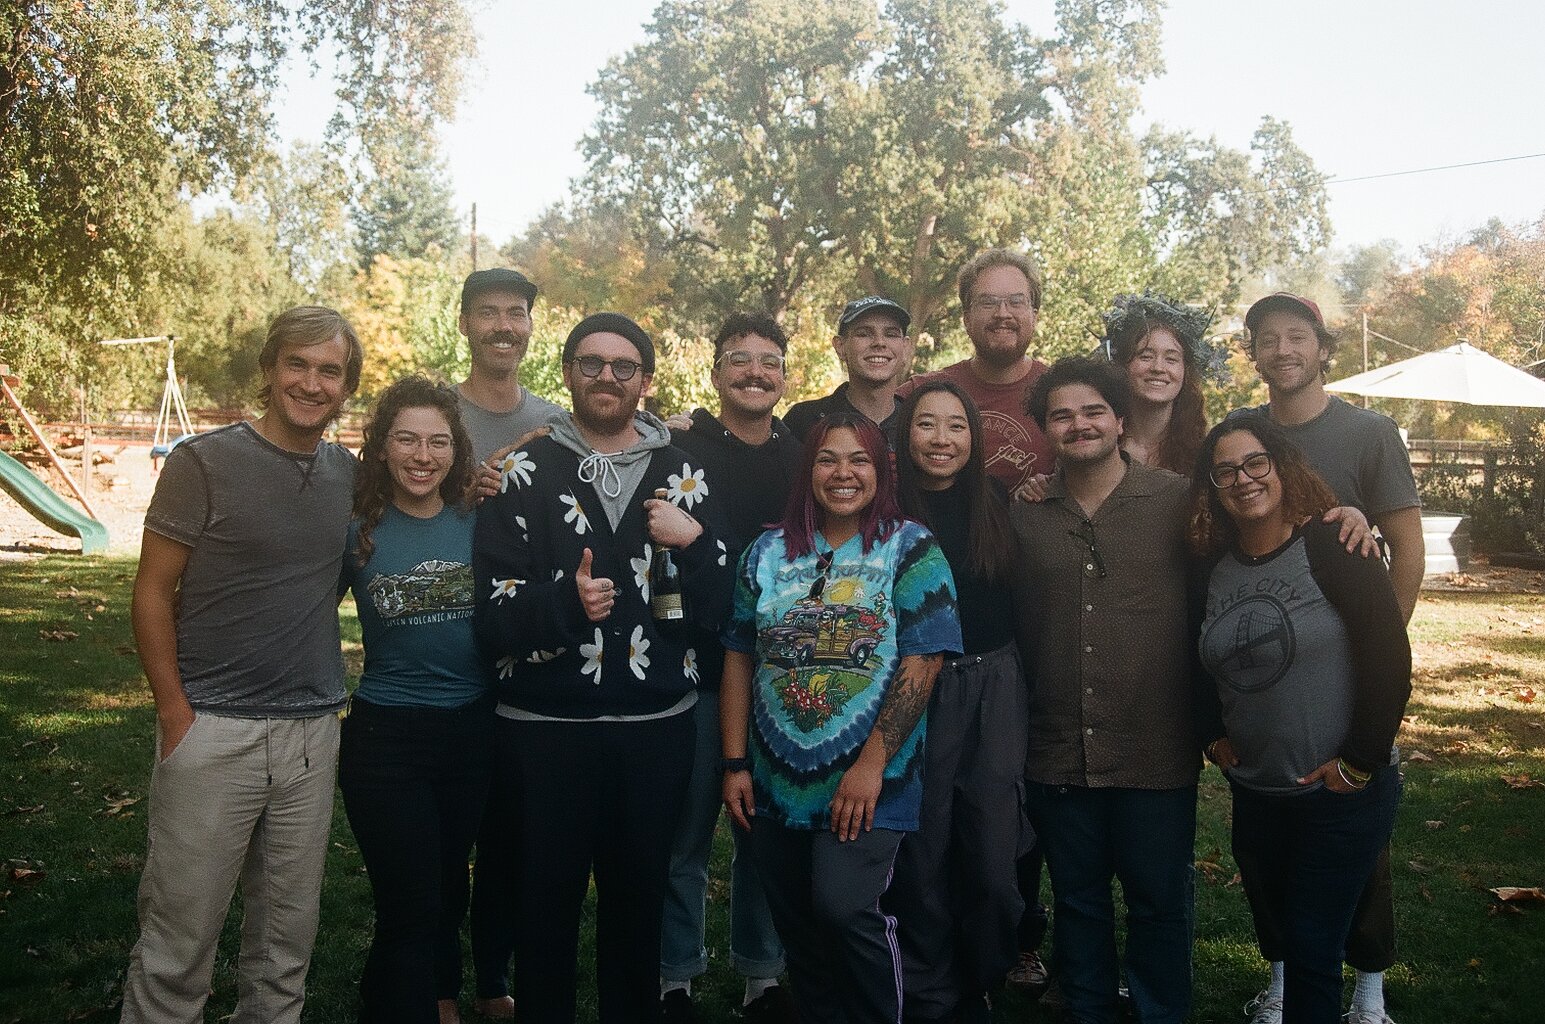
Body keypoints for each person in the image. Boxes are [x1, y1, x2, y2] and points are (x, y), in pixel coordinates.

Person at [473, 312, 735, 1024]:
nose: (607, 377)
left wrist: (698, 538)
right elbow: (491, 615)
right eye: (590, 363)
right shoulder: (523, 471)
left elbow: (726, 603)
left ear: (645, 381)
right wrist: (565, 602)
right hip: (543, 729)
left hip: (656, 729)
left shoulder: (684, 471)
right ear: (566, 374)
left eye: (624, 366)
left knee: (637, 902)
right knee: (544, 905)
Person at [121, 306, 363, 1024]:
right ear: (268, 370)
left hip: (312, 733)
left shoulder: (348, 475)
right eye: (298, 364)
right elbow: (151, 589)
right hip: (212, 728)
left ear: (347, 386)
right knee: (179, 939)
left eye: (329, 370)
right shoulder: (203, 463)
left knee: (285, 946)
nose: (311, 383)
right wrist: (174, 712)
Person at [720, 412, 961, 1024]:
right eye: (828, 459)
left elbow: (923, 663)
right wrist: (734, 763)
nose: (843, 473)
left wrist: (870, 766)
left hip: (868, 777)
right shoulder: (766, 553)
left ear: (882, 471)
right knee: (798, 921)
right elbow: (740, 657)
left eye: (860, 460)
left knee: (844, 906)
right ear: (809, 472)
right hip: (773, 779)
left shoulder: (912, 548)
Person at [1234, 292, 1423, 1024]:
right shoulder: (1242, 434)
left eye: (1296, 336)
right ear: (1253, 352)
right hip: (1270, 671)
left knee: (1355, 823)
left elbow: (1404, 545)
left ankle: (1368, 990)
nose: (1282, 349)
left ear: (1321, 347)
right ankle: (1281, 979)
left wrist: (1380, 652)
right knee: (1269, 831)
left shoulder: (1368, 433)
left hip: (1351, 671)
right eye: (1267, 338)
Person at [1190, 416, 1410, 1024]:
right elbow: (1196, 652)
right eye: (1225, 471)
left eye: (1256, 462)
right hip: (1260, 791)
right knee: (1285, 932)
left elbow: (1388, 658)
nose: (1243, 479)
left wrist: (1360, 761)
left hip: (1339, 793)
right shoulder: (1214, 567)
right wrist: (1211, 732)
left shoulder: (1335, 545)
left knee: (1313, 947)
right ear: (1212, 486)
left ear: (1282, 465)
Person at [1007, 357, 1202, 1024]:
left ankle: (1159, 1013)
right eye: (1061, 414)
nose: (1078, 423)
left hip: (1154, 747)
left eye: (1092, 411)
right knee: (1078, 902)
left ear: (1120, 420)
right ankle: (1086, 1010)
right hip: (1058, 746)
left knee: (1157, 904)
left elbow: (1263, 521)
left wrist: (1341, 509)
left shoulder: (1177, 500)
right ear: (1044, 430)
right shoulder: (1024, 512)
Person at [659, 312, 800, 1023]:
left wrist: (707, 545)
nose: (753, 371)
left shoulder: (802, 458)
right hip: (692, 669)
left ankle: (761, 974)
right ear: (714, 373)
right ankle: (674, 974)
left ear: (783, 374)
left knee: (760, 834)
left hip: (776, 676)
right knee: (683, 832)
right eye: (738, 360)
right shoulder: (677, 448)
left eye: (767, 360)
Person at [338, 377, 488, 1024]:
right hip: (386, 735)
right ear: (382, 447)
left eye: (436, 440)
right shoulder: (356, 530)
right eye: (406, 439)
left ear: (455, 450)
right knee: (409, 896)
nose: (421, 455)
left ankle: (434, 993)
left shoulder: (479, 521)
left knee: (449, 881)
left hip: (473, 730)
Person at [887, 381, 1029, 1023]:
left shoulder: (997, 502)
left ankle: (985, 973)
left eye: (956, 426)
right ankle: (928, 986)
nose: (942, 440)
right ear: (905, 434)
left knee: (995, 849)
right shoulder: (884, 509)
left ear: (974, 438)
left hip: (993, 681)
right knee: (923, 846)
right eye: (926, 425)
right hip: (917, 683)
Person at [452, 266, 563, 1020]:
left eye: (515, 313)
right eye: (488, 312)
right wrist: (464, 495)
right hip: (446, 649)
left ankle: (496, 980)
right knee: (448, 834)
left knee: (513, 836)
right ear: (463, 323)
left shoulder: (555, 420)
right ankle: (438, 977)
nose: (503, 326)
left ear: (529, 326)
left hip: (529, 650)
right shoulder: (435, 415)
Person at [899, 248, 1054, 493]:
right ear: (967, 318)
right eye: (987, 302)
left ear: (1034, 315)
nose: (1002, 313)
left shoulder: (1062, 394)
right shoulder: (918, 394)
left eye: (1016, 302)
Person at [783, 296, 913, 443]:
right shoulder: (804, 421)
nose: (879, 343)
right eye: (864, 334)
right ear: (840, 346)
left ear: (906, 347)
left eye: (891, 334)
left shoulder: (919, 422)